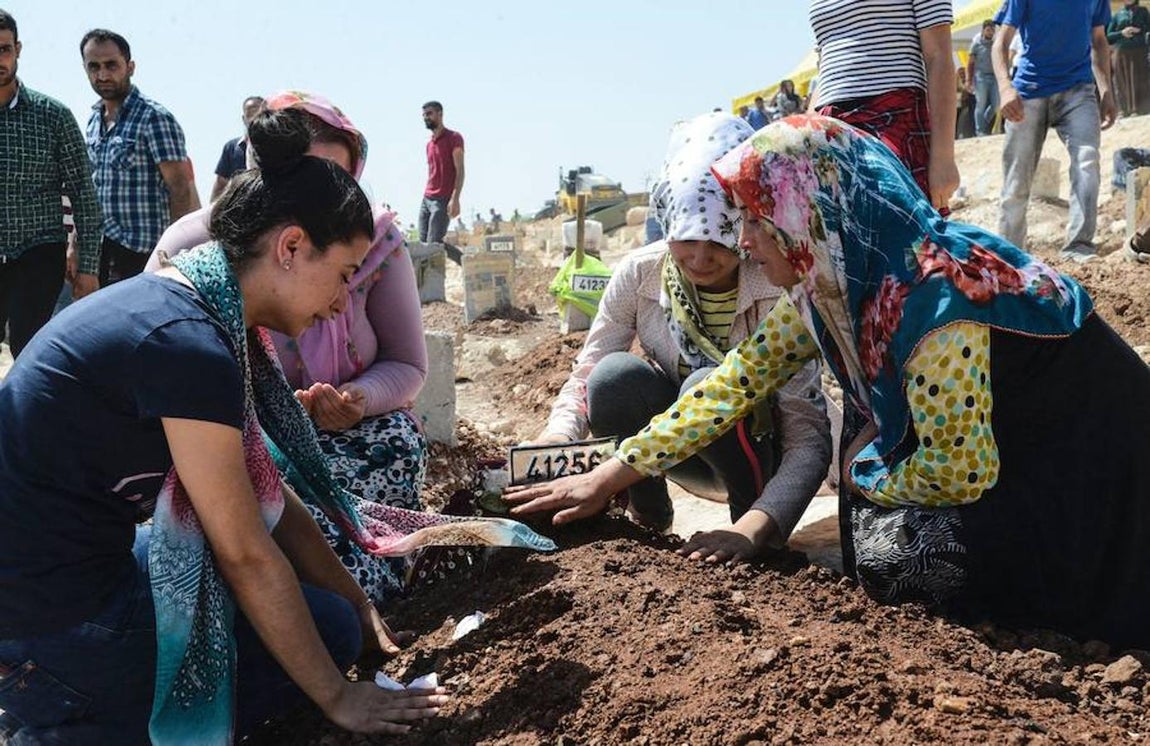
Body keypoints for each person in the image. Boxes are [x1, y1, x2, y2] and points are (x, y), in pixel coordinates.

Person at [507, 115, 1150, 650]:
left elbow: (963, 470)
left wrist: (867, 472)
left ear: (808, 217)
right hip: (1009, 445)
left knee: (905, 554)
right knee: (875, 531)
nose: (745, 241)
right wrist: (611, 473)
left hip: (1085, 456)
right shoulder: (831, 285)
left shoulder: (930, 301)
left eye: (759, 222)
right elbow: (730, 385)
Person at [0, 109, 458, 744]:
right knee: (320, 634)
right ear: (292, 247)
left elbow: (268, 495)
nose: (338, 303)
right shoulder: (190, 343)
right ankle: (69, 727)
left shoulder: (194, 305)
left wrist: (357, 598)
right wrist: (337, 696)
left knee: (330, 616)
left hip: (50, 582)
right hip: (41, 624)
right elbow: (245, 551)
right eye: (345, 276)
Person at [151, 90, 432, 602]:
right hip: (227, 445)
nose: (336, 302)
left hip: (350, 439)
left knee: (384, 456)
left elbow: (408, 363)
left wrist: (356, 401)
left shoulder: (377, 243)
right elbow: (171, 387)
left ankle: (363, 588)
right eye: (307, 178)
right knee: (261, 522)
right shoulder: (193, 250)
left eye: (339, 181)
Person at [523, 111, 832, 550]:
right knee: (613, 378)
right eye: (687, 239)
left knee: (704, 383)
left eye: (719, 243)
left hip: (762, 454)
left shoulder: (780, 285)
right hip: (669, 446)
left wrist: (758, 527)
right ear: (667, 223)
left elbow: (804, 436)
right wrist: (557, 439)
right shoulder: (640, 274)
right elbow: (587, 371)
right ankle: (648, 520)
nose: (702, 259)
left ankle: (747, 522)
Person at [0, 9, 101, 357]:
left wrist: (88, 266)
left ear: (18, 50)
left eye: (4, 49)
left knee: (30, 350)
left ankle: (25, 412)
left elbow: (84, 196)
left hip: (38, 251)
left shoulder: (52, 116)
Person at [993, 0, 1117, 263]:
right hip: (1028, 92)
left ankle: (1079, 246)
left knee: (1087, 159)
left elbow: (1098, 40)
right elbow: (1000, 42)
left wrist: (1106, 90)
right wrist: (1005, 88)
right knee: (1017, 179)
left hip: (1078, 90)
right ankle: (1009, 254)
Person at [808, 0, 959, 213]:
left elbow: (939, 56)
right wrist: (806, 130)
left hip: (893, 117)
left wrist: (944, 158)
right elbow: (825, 66)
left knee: (903, 236)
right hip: (829, 126)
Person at [81, 29, 199, 287]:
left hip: (144, 253)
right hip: (102, 250)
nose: (102, 75)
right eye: (94, 66)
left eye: (111, 65)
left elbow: (179, 188)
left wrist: (172, 253)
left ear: (130, 67)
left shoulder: (154, 118)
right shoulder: (93, 121)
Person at [419, 100, 464, 244]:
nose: (426, 117)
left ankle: (467, 261)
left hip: (443, 199)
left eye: (430, 114)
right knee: (422, 245)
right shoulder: (429, 144)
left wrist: (455, 198)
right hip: (427, 199)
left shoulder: (454, 138)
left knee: (434, 244)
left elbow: (460, 170)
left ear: (440, 114)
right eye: (424, 115)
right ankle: (466, 261)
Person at [210, 94, 266, 201]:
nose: (254, 119)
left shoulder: (278, 145)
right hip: (240, 209)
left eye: (259, 114)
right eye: (250, 114)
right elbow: (221, 184)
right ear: (244, 119)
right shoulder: (232, 148)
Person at [1107, 0, 1150, 117]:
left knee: (1139, 79)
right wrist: (1122, 33)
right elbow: (1108, 36)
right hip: (1121, 52)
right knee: (1122, 81)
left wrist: (1140, 31)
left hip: (1140, 50)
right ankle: (1123, 110)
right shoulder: (1118, 14)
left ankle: (1140, 109)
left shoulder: (1143, 11)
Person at [966, 20, 1000, 136]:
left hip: (994, 77)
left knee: (996, 104)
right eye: (988, 30)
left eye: (992, 31)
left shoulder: (995, 45)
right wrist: (968, 80)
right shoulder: (976, 45)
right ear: (983, 30)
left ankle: (983, 124)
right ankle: (980, 131)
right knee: (981, 104)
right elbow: (970, 64)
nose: (990, 33)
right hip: (981, 77)